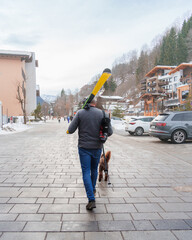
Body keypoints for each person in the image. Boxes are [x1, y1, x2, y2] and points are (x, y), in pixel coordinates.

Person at [67, 99, 113, 210]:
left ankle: (91, 199)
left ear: (86, 102)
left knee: (86, 171)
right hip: (97, 148)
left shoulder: (80, 113)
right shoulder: (103, 113)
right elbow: (110, 132)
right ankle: (92, 189)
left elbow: (71, 129)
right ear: (95, 103)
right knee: (94, 170)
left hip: (84, 148)